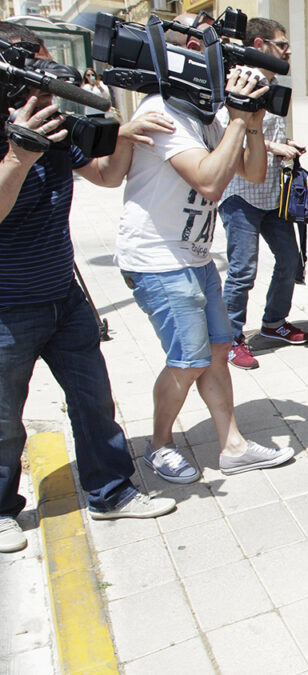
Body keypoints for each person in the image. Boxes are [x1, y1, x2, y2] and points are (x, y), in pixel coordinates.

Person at [0, 24, 178, 553]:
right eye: (38, 66)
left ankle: (111, 492)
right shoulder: (20, 133)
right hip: (7, 308)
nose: (51, 78)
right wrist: (18, 154)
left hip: (65, 297)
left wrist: (123, 136)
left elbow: (103, 174)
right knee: (5, 420)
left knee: (94, 400)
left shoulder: (57, 125)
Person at [114, 13, 294, 486]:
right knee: (189, 359)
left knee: (217, 351)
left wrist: (251, 120)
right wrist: (235, 119)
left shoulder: (204, 114)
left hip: (193, 256)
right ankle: (159, 446)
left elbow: (253, 174)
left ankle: (232, 445)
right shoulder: (162, 109)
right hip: (157, 259)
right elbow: (212, 182)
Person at [219, 18, 308, 370]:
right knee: (242, 270)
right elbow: (232, 135)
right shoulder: (237, 82)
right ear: (259, 45)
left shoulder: (273, 84)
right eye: (281, 44)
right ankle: (229, 339)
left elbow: (265, 133)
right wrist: (274, 148)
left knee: (289, 260)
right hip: (240, 194)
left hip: (272, 194)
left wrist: (285, 145)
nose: (287, 50)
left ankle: (273, 323)